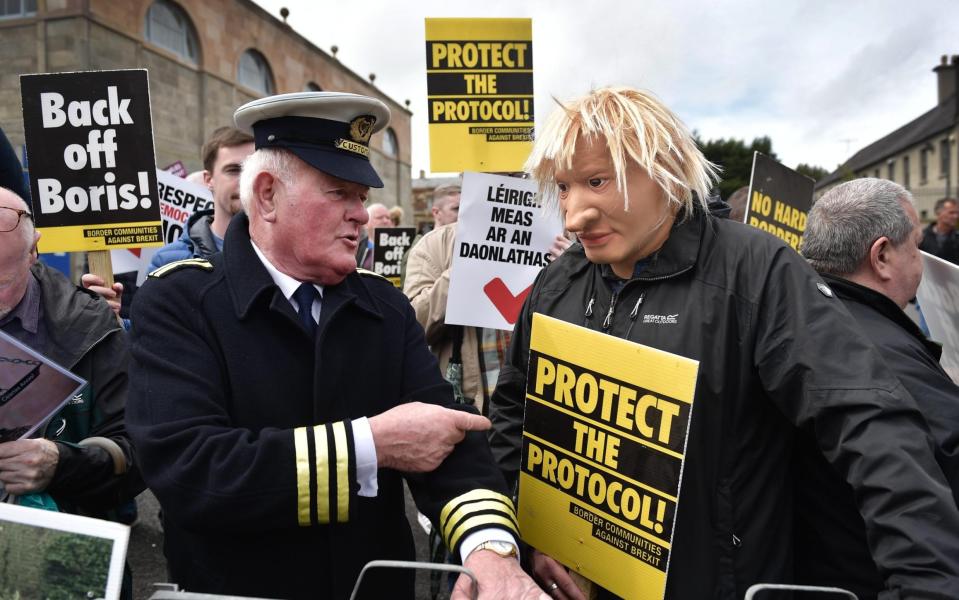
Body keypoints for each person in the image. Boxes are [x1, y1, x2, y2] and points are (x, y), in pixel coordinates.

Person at [487, 87, 959, 599]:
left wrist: (926, 582)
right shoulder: (558, 283)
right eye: (562, 187)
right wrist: (527, 535)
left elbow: (869, 424)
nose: (574, 215)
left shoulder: (758, 271)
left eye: (598, 182)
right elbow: (515, 413)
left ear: (665, 170)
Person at [126, 92, 545, 600]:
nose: (361, 215)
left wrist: (491, 551)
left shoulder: (384, 308)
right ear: (267, 196)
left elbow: (447, 439)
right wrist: (370, 445)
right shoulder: (179, 300)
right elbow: (189, 470)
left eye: (362, 197)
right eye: (339, 193)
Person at [797, 178, 959, 598]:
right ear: (883, 255)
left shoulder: (797, 321)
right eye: (915, 246)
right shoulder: (881, 356)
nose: (921, 265)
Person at [0, 187, 142, 514]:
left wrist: (61, 463)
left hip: (53, 539)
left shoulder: (91, 328)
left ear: (34, 250)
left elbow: (141, 453)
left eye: (2, 282)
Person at [81, 127, 255, 315]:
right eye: (233, 170)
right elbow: (150, 336)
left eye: (253, 169)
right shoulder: (168, 261)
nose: (246, 180)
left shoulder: (282, 251)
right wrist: (113, 316)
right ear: (208, 179)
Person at [919, 197, 959, 264]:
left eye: (957, 213)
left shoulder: (957, 237)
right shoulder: (921, 237)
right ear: (938, 212)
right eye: (951, 212)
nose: (956, 216)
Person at [356, 202, 393, 269]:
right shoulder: (356, 248)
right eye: (380, 218)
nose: (385, 221)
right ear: (366, 224)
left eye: (388, 218)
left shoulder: (400, 248)